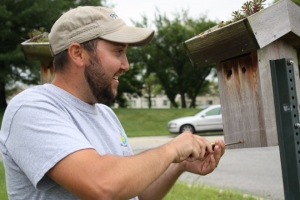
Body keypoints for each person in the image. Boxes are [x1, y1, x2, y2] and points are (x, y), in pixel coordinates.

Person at [0, 6, 225, 200]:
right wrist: (172, 148)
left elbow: (131, 193)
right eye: (118, 51)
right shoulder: (31, 108)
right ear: (78, 54)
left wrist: (179, 164)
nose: (126, 65)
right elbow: (103, 187)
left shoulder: (106, 115)